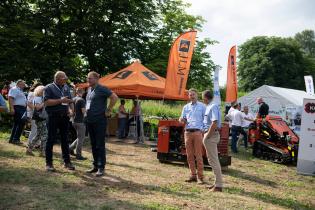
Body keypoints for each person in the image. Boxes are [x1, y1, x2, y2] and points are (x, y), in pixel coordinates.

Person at [85, 71, 118, 177]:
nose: (88, 80)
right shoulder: (89, 89)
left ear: (96, 79)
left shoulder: (102, 88)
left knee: (100, 145)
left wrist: (109, 109)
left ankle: (101, 167)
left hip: (99, 121)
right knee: (93, 144)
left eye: (90, 78)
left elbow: (114, 97)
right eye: (87, 78)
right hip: (90, 120)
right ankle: (95, 166)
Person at [44, 71, 75, 172]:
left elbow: (70, 101)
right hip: (53, 116)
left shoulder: (66, 87)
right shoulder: (49, 87)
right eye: (64, 78)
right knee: (51, 139)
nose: (66, 79)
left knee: (65, 139)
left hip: (64, 117)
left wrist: (71, 110)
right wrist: (60, 100)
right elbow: (47, 102)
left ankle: (67, 162)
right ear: (57, 78)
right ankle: (49, 163)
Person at [179, 88, 206, 184]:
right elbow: (181, 119)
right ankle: (193, 175)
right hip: (187, 132)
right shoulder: (186, 107)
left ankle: (200, 177)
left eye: (193, 94)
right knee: (189, 155)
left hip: (197, 132)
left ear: (197, 95)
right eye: (190, 95)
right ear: (188, 96)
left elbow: (206, 120)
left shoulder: (203, 106)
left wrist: (202, 130)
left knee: (198, 155)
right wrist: (182, 119)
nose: (192, 96)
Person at [202, 90, 223, 192]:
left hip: (211, 135)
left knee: (213, 160)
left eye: (203, 97)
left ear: (205, 97)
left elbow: (214, 123)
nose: (202, 99)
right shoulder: (210, 106)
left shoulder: (212, 106)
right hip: (211, 135)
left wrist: (207, 136)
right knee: (212, 160)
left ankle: (218, 185)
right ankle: (216, 183)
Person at [26, 85, 47, 156]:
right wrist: (45, 103)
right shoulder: (38, 98)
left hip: (41, 118)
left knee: (38, 135)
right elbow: (37, 108)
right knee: (44, 135)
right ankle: (42, 151)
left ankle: (29, 149)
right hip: (40, 118)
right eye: (44, 91)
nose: (45, 92)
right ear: (40, 91)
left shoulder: (40, 98)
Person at [69, 88, 87, 160]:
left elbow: (70, 109)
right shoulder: (81, 100)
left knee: (79, 137)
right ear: (82, 92)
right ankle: (78, 155)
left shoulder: (73, 99)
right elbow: (83, 111)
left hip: (73, 120)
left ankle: (70, 149)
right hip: (80, 121)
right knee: (81, 139)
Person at [8, 80, 27, 144]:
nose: (24, 86)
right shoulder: (14, 89)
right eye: (23, 84)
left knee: (17, 124)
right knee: (20, 123)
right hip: (18, 108)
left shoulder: (20, 90)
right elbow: (10, 98)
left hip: (21, 108)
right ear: (18, 84)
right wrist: (12, 108)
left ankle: (12, 139)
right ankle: (15, 139)